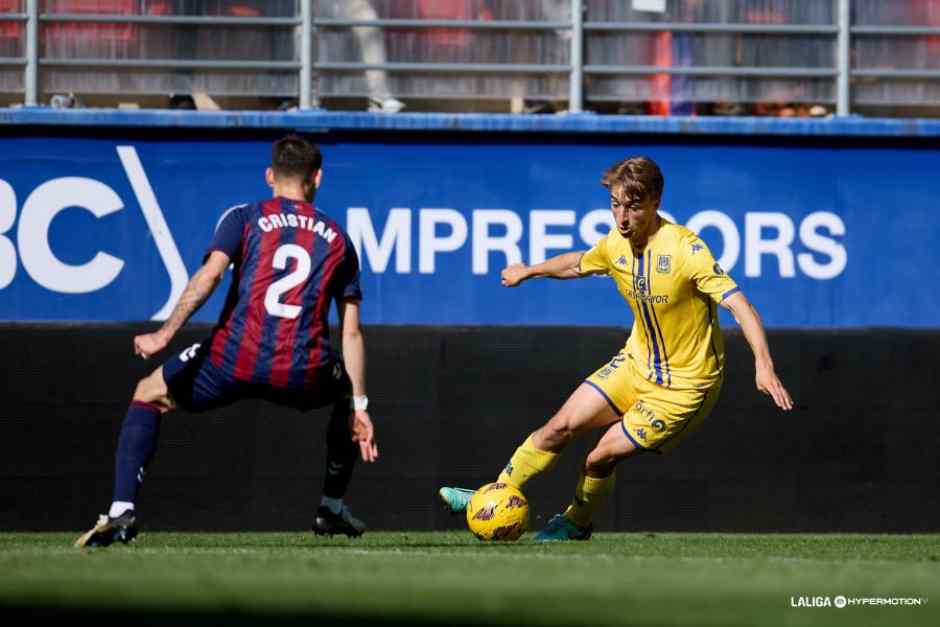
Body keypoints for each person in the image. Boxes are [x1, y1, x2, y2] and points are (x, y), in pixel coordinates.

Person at [439, 156, 792, 541]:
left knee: (598, 457)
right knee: (558, 427)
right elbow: (578, 263)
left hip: (684, 388)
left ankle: (576, 522)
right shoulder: (615, 244)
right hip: (635, 364)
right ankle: (493, 495)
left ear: (656, 201)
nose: (622, 218)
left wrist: (763, 365)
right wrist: (530, 270)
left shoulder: (686, 250)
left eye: (633, 207)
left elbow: (741, 305)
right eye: (615, 205)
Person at [75, 134, 378, 548]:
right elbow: (351, 331)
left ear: (270, 175)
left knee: (148, 394)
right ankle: (330, 507)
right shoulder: (339, 239)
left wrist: (166, 332)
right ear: (317, 179)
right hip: (301, 369)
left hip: (234, 358)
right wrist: (360, 405)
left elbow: (211, 276)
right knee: (345, 393)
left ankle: (120, 511)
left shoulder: (245, 216)